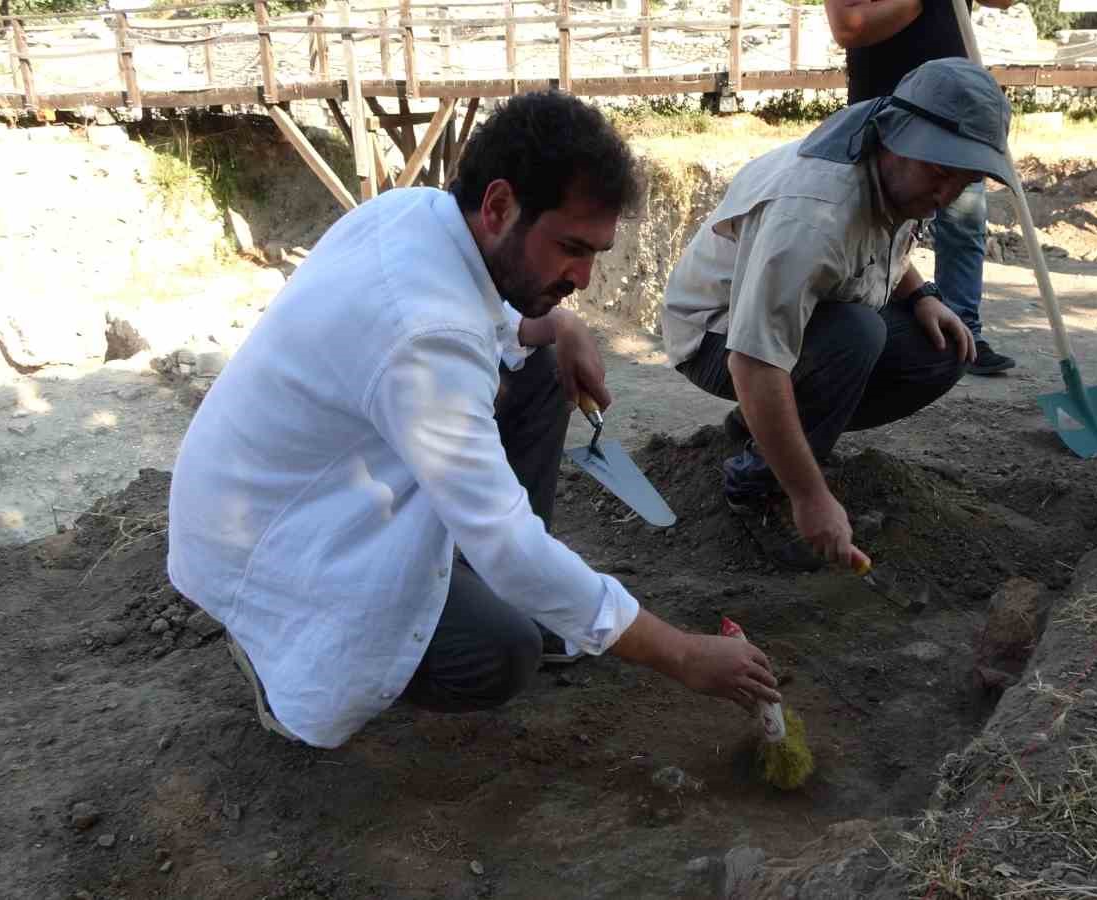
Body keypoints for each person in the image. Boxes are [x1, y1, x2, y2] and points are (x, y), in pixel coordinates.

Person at [166, 91, 780, 749]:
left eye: (595, 252)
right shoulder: (427, 335)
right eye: (571, 247)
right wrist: (683, 655)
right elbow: (508, 542)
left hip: (290, 484)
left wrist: (561, 324)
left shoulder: (416, 213)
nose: (585, 276)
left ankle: (508, 594)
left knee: (538, 365)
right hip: (267, 542)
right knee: (498, 653)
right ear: (497, 207)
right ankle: (274, 657)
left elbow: (496, 322)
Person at [662, 58, 1013, 572]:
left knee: (941, 351)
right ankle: (759, 486)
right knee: (856, 334)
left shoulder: (893, 169)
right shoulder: (811, 215)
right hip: (716, 335)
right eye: (940, 174)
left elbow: (877, 241)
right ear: (897, 139)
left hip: (799, 319)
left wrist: (921, 296)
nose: (944, 197)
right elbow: (753, 362)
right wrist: (810, 495)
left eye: (963, 181)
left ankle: (765, 434)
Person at [824, 0, 1017, 376]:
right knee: (872, 227)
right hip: (887, 111)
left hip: (955, 111)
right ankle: (870, 339)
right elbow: (849, 26)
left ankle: (963, 330)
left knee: (964, 222)